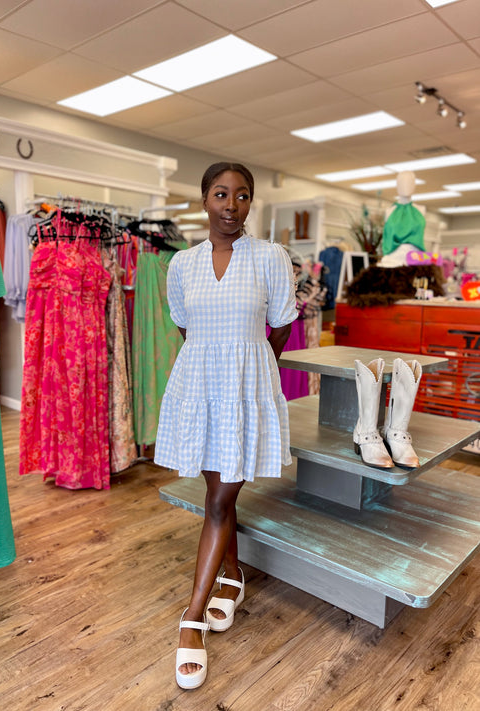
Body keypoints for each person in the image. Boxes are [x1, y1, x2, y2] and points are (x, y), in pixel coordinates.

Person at [154, 161, 298, 690]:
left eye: (242, 196)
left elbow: (281, 323)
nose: (231, 206)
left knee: (217, 500)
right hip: (201, 384)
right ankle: (232, 576)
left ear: (250, 203)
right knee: (220, 490)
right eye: (220, 194)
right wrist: (221, 362)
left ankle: (190, 620)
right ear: (204, 199)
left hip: (246, 385)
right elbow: (185, 324)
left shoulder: (270, 258)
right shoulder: (182, 265)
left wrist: (255, 365)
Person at [379, 170, 426, 267]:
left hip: (415, 261)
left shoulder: (421, 210)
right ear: (397, 185)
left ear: (414, 186)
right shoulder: (389, 211)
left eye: (410, 182)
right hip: (392, 261)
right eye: (402, 182)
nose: (406, 186)